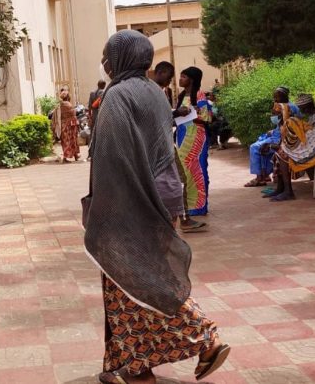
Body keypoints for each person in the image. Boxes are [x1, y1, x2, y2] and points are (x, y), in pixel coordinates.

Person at [85, 30, 230, 384]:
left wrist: (101, 206)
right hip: (162, 190)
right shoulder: (153, 90)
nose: (104, 62)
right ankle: (135, 367)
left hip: (132, 194)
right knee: (133, 280)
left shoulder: (117, 95)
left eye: (108, 55)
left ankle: (205, 337)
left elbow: (114, 157)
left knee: (135, 277)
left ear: (121, 58)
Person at [153, 61, 206, 233]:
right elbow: (157, 116)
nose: (171, 81)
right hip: (161, 143)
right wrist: (176, 113)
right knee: (179, 179)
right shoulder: (153, 92)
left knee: (180, 178)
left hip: (174, 139)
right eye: (170, 77)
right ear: (162, 72)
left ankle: (184, 218)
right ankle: (181, 219)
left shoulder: (154, 90)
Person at [268, 94, 315, 201]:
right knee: (279, 153)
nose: (301, 111)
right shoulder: (311, 117)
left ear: (308, 107)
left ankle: (288, 192)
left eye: (302, 109)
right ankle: (281, 188)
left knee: (285, 155)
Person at [176, 67, 213, 218]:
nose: (180, 79)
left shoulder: (199, 94)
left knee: (197, 168)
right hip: (182, 135)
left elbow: (207, 118)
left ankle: (198, 207)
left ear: (191, 79)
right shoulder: (181, 95)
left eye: (183, 76)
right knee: (185, 171)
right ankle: (188, 204)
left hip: (196, 136)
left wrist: (190, 113)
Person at [245, 87, 300, 187]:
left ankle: (259, 178)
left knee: (255, 147)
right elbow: (280, 123)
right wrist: (274, 130)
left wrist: (277, 132)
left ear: (284, 96)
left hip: (284, 137)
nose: (275, 99)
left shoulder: (287, 107)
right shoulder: (287, 106)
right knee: (261, 141)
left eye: (277, 97)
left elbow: (288, 125)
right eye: (274, 97)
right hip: (278, 133)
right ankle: (264, 175)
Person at [53, 87, 81, 163]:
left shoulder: (60, 105)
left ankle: (73, 156)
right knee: (72, 141)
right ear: (67, 97)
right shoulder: (67, 104)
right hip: (70, 126)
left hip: (64, 126)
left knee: (66, 141)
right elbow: (73, 114)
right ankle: (69, 157)